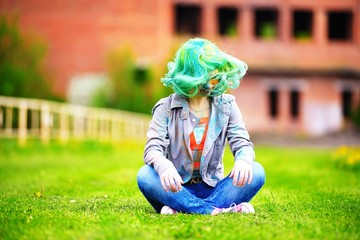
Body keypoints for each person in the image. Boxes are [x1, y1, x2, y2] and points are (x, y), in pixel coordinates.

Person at [137, 38, 265, 215]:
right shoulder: (164, 108)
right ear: (189, 76)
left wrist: (243, 159)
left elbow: (242, 143)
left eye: (213, 78)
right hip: (176, 188)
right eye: (204, 78)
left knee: (257, 171)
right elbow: (152, 149)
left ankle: (184, 209)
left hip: (214, 188)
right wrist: (164, 167)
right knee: (145, 175)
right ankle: (217, 210)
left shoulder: (227, 106)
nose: (209, 85)